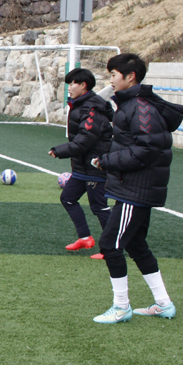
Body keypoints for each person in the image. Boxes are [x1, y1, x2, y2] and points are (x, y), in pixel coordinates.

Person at [90, 53, 183, 324]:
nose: (110, 80)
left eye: (113, 75)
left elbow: (146, 149)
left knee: (110, 243)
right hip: (133, 187)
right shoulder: (130, 104)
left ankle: (121, 308)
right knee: (136, 244)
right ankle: (164, 303)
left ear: (130, 76)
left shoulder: (141, 107)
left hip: (136, 189)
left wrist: (106, 161)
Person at [48, 68, 113, 259]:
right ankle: (85, 238)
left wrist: (60, 151)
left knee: (99, 207)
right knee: (67, 198)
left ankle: (111, 248)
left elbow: (86, 139)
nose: (69, 87)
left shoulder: (92, 108)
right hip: (82, 166)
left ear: (83, 85)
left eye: (72, 83)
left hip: (95, 165)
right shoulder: (80, 104)